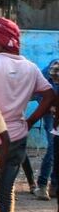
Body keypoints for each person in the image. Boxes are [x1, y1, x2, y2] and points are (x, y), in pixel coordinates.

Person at [0, 16, 54, 212]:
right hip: (18, 136)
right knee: (6, 190)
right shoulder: (30, 67)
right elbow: (49, 95)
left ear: (2, 39)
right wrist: (30, 121)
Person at [34, 59, 59, 200]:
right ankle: (43, 185)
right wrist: (49, 107)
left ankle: (53, 185)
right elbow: (40, 92)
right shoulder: (55, 66)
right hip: (52, 113)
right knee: (52, 148)